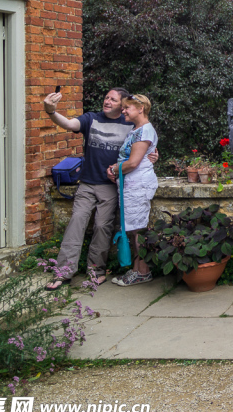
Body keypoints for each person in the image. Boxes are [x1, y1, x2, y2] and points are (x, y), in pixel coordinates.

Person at [41, 87, 147, 289]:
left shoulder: (130, 126)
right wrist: (51, 111)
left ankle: (96, 270)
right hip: (87, 183)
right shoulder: (92, 119)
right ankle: (63, 272)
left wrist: (152, 155)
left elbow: (143, 148)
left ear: (123, 105)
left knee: (102, 226)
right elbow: (69, 123)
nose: (107, 101)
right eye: (106, 97)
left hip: (110, 186)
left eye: (113, 100)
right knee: (76, 223)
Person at [107, 95, 159, 287]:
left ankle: (143, 271)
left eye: (127, 108)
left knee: (138, 229)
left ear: (141, 109)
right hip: (130, 185)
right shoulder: (136, 131)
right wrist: (117, 169)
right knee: (133, 228)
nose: (123, 111)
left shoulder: (144, 131)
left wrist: (113, 169)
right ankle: (137, 270)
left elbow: (133, 162)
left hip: (138, 186)